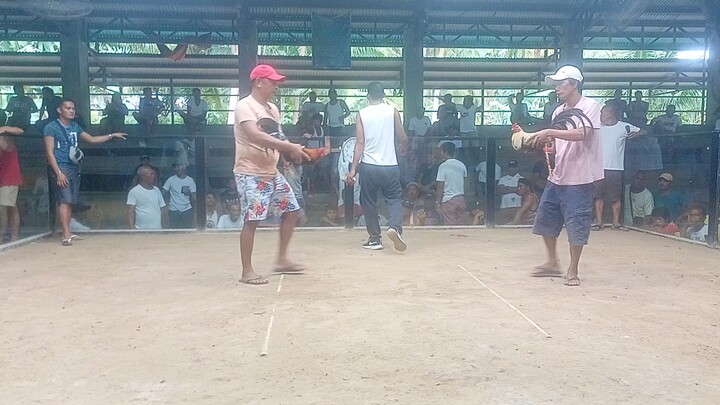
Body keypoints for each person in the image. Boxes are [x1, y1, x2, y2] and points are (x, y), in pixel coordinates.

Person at [513, 65, 603, 287]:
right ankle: (552, 262)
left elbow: (584, 133)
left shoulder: (590, 106)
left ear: (574, 84)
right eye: (556, 84)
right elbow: (556, 143)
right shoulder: (558, 112)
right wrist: (538, 142)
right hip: (558, 174)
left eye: (561, 83)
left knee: (576, 223)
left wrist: (548, 132)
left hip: (580, 177)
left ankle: (573, 269)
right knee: (546, 218)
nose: (557, 88)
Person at [234, 64, 310, 285]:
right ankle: (247, 271)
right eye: (272, 81)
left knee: (292, 210)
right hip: (250, 172)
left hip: (271, 171)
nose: (276, 86)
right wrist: (289, 148)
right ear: (259, 82)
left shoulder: (272, 109)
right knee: (252, 220)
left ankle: (282, 259)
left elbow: (277, 136)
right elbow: (255, 136)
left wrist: (294, 152)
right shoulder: (244, 106)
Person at [43, 98, 127, 245]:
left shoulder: (75, 126)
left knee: (70, 201)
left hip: (74, 167)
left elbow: (92, 139)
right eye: (68, 108)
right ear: (59, 110)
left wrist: (111, 135)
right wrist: (58, 172)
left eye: (73, 108)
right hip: (61, 166)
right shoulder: (51, 127)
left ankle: (68, 232)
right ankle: (65, 234)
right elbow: (49, 151)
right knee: (64, 200)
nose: (71, 111)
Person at [346, 81, 409, 251]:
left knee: (369, 202)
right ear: (383, 95)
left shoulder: (362, 113)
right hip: (390, 165)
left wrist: (353, 169)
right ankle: (395, 228)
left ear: (368, 96)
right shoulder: (392, 111)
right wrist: (404, 145)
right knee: (394, 198)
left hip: (369, 165)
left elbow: (360, 142)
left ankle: (375, 239)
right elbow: (401, 135)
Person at [593, 104, 646, 231]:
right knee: (597, 196)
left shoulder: (623, 127)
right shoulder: (597, 127)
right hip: (598, 167)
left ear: (610, 114)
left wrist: (635, 135)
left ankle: (616, 222)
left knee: (615, 197)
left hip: (615, 167)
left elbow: (644, 131)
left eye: (603, 113)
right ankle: (599, 222)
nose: (600, 115)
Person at [0, 126, 26, 242]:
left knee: (3, 208)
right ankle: (14, 236)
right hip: (6, 178)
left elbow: (20, 131)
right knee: (11, 207)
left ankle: (2, 237)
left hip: (8, 179)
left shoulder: (5, 136)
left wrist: (5, 128)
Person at [435, 142, 467, 225]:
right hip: (461, 199)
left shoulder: (443, 166)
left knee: (449, 225)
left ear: (445, 152)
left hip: (448, 200)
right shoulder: (462, 165)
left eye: (441, 151)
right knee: (460, 224)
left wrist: (438, 201)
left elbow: (440, 185)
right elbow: (466, 183)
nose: (441, 153)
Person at [162, 163, 196, 229]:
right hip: (174, 210)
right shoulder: (171, 180)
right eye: (175, 167)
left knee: (187, 232)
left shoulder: (190, 180)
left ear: (184, 167)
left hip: (187, 210)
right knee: (174, 232)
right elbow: (163, 192)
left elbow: (194, 195)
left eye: (178, 167)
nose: (176, 169)